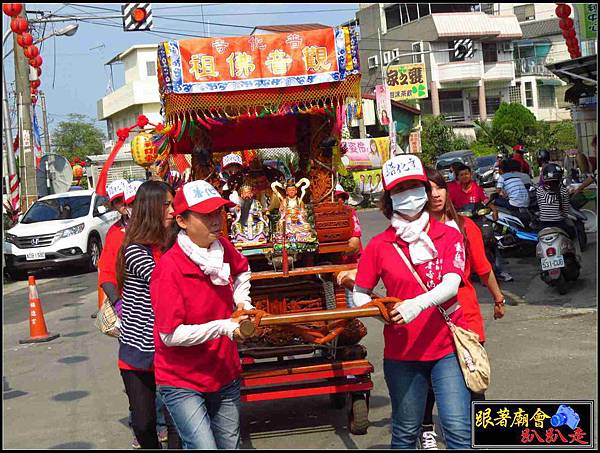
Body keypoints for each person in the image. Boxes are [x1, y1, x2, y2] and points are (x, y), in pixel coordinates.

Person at [350, 154, 472, 449]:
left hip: (447, 349)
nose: (409, 196)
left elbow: (451, 284)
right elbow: (359, 294)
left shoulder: (449, 235)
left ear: (427, 191)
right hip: (402, 354)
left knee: (457, 429)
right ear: (389, 198)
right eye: (399, 190)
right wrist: (382, 312)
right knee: (405, 431)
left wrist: (416, 304)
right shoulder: (380, 245)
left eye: (415, 187)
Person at [150, 180, 254, 449]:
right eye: (206, 215)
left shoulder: (222, 248)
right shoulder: (168, 269)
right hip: (181, 378)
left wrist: (242, 301)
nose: (216, 221)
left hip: (223, 369)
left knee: (230, 445)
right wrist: (223, 326)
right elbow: (170, 335)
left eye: (218, 213)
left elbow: (243, 270)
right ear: (182, 221)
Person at [419, 167, 506, 449]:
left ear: (448, 190)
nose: (435, 195)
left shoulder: (467, 227)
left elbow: (483, 267)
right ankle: (426, 429)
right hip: (428, 315)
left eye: (440, 188)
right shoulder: (413, 232)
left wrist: (498, 298)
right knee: (429, 376)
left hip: (464, 313)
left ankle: (480, 430)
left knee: (473, 372)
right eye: (429, 190)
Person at [115, 180, 179, 450]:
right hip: (138, 349)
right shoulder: (134, 250)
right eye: (166, 205)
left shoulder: (176, 242)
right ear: (151, 208)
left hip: (173, 345)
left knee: (179, 421)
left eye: (174, 204)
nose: (173, 211)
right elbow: (162, 280)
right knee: (143, 423)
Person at [536, 163, 576, 240]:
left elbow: (540, 207)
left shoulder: (539, 190)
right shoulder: (564, 191)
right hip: (559, 224)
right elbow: (565, 211)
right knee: (572, 234)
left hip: (543, 225)